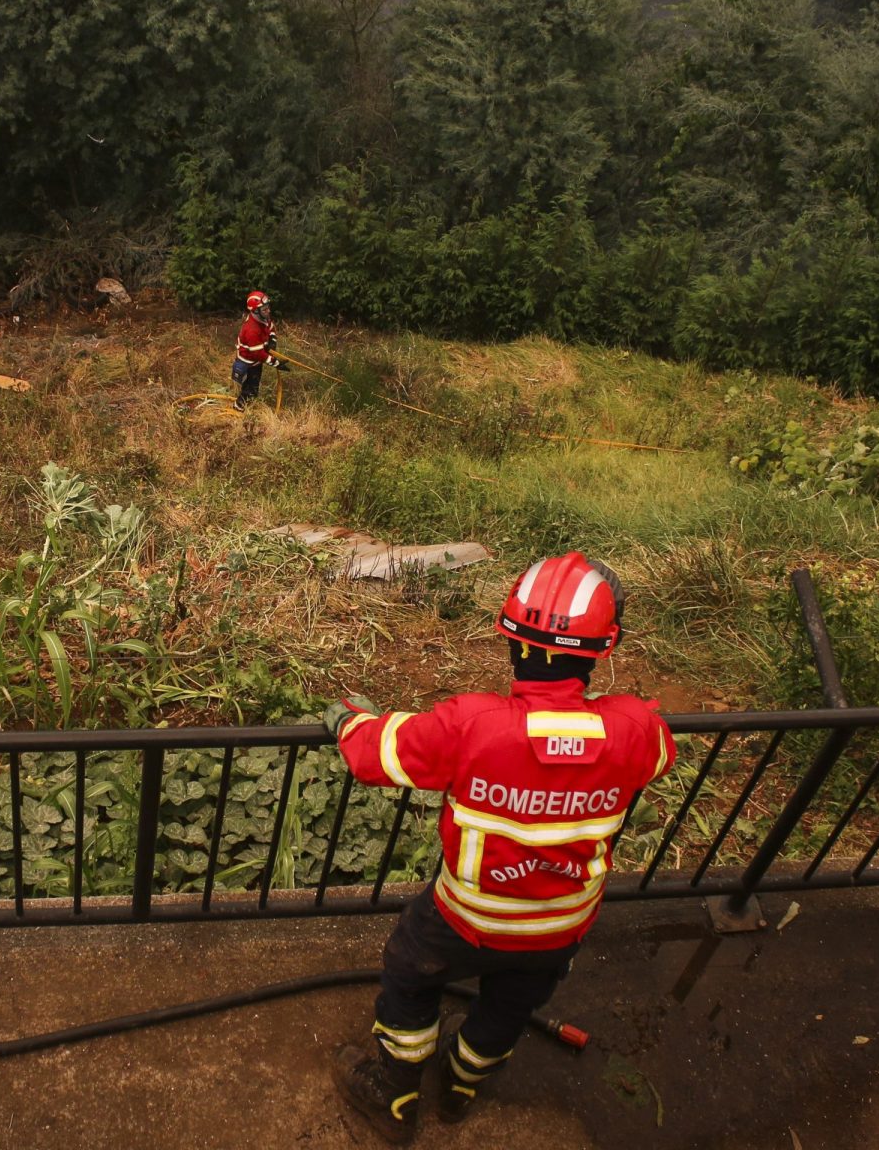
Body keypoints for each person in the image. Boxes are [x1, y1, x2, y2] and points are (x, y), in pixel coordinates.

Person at [324, 553, 675, 1144]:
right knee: (508, 1009)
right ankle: (462, 1084)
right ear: (605, 649)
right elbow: (655, 752)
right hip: (560, 927)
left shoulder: (472, 725)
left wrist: (349, 720)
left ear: (508, 637)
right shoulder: (636, 730)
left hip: (463, 919)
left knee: (410, 980)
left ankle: (397, 1092)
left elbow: (373, 754)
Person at [232, 290, 277, 410]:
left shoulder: (264, 317)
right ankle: (239, 406)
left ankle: (249, 403)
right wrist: (273, 361)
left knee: (254, 386)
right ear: (255, 311)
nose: (268, 311)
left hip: (256, 360)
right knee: (250, 387)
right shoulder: (251, 329)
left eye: (268, 307)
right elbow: (258, 354)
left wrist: (272, 338)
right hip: (248, 362)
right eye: (264, 309)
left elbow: (270, 326)